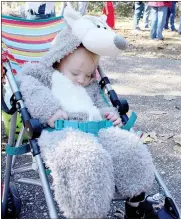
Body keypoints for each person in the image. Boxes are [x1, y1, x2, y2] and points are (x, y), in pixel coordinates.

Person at [17, 7, 155, 219]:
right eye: (75, 73)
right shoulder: (42, 75)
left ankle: (136, 203)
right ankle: (87, 213)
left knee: (130, 148)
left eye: (89, 74)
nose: (82, 80)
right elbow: (31, 90)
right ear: (59, 58)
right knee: (88, 160)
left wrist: (109, 113)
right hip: (62, 132)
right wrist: (50, 111)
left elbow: (100, 102)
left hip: (97, 128)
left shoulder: (88, 85)